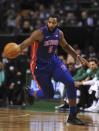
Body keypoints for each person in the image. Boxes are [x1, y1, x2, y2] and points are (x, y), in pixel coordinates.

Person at [9, 16, 89, 125]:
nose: (51, 24)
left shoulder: (59, 33)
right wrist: (16, 49)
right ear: (47, 22)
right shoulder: (39, 33)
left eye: (53, 23)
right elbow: (25, 43)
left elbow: (65, 46)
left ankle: (72, 116)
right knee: (49, 94)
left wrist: (76, 56)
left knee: (70, 82)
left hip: (54, 62)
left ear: (57, 23)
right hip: (39, 66)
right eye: (50, 22)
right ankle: (31, 93)